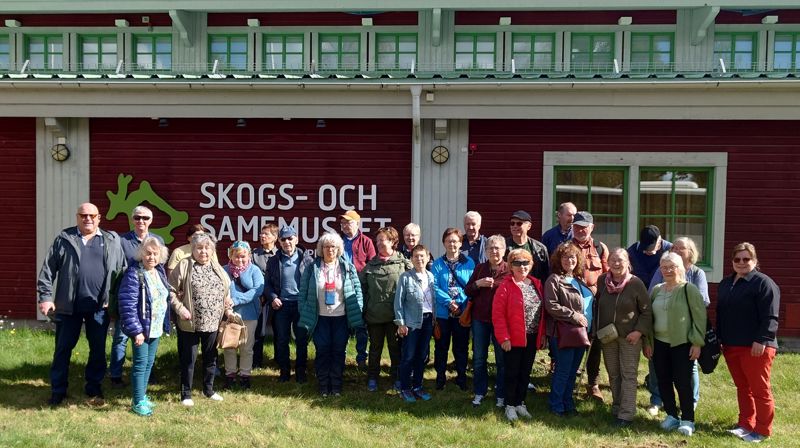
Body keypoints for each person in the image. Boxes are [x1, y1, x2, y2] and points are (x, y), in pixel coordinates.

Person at [37, 202, 126, 406]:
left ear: (99, 218)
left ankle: (93, 387)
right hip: (68, 307)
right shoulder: (65, 239)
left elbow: (122, 271)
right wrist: (46, 297)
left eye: (92, 215)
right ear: (77, 217)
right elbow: (48, 270)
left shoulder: (112, 240)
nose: (88, 219)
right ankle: (58, 390)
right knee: (63, 349)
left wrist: (118, 303)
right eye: (83, 215)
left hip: (99, 308)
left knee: (97, 350)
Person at [717, 242, 780, 443]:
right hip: (731, 345)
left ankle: (762, 430)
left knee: (760, 389)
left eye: (746, 259)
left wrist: (762, 339)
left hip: (756, 347)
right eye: (737, 259)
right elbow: (721, 313)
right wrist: (719, 338)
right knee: (743, 387)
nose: (742, 263)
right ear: (732, 261)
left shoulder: (764, 283)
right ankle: (745, 424)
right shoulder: (726, 283)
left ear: (754, 260)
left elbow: (771, 317)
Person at [169, 232, 232, 406]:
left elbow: (226, 288)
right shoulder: (184, 265)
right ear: (193, 249)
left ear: (212, 250)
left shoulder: (216, 266)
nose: (203, 252)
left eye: (207, 248)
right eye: (199, 248)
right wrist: (180, 309)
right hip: (190, 322)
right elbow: (171, 290)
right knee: (189, 359)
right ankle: (186, 394)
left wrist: (228, 300)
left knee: (211, 358)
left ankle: (208, 390)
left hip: (213, 322)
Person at [298, 232, 364, 397]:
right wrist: (304, 310)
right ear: (321, 249)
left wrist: (358, 309)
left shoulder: (347, 268)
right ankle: (322, 385)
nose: (330, 250)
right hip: (320, 318)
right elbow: (303, 293)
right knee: (322, 350)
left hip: (341, 318)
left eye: (333, 247)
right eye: (326, 247)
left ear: (338, 249)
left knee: (339, 351)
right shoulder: (312, 268)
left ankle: (336, 385)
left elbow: (357, 291)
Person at [648, 237, 709, 412]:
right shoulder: (660, 281)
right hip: (660, 339)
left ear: (690, 252)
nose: (676, 250)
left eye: (681, 248)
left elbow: (701, 306)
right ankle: (662, 405)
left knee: (686, 375)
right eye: (673, 247)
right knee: (661, 374)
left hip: (684, 336)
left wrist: (696, 340)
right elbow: (651, 296)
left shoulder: (695, 276)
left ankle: (689, 407)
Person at [594, 248, 652, 427]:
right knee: (613, 374)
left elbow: (647, 311)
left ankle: (626, 414)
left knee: (628, 374)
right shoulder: (602, 280)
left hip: (629, 337)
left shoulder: (636, 283)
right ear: (608, 262)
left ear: (628, 263)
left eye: (620, 260)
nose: (616, 264)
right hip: (607, 336)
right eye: (613, 260)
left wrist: (639, 332)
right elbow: (597, 305)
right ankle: (617, 407)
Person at [110, 206, 165, 389]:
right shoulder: (122, 240)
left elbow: (159, 269)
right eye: (137, 217)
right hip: (129, 292)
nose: (141, 221)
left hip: (149, 297)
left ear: (151, 220)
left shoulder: (158, 240)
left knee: (149, 336)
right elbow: (116, 265)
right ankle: (116, 375)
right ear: (132, 219)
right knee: (121, 336)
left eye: (145, 218)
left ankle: (145, 376)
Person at [117, 237, 170, 416]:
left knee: (149, 363)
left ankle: (143, 396)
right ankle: (137, 401)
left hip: (155, 327)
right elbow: (127, 304)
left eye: (155, 254)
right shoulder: (134, 273)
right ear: (141, 254)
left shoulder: (159, 272)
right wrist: (136, 330)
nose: (151, 257)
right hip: (141, 328)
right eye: (148, 253)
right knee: (140, 364)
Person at [493, 249, 546, 422]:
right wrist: (504, 338)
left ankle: (519, 403)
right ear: (510, 266)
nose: (521, 267)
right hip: (513, 338)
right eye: (517, 263)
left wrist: (542, 335)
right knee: (512, 372)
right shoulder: (505, 286)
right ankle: (509, 405)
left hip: (531, 336)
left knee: (525, 372)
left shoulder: (536, 284)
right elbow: (498, 315)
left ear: (531, 265)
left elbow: (543, 312)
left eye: (525, 263)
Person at [543, 242, 593, 417]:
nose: (569, 260)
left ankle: (568, 403)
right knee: (563, 370)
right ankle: (556, 405)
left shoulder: (579, 281)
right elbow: (551, 306)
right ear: (558, 260)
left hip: (581, 333)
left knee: (573, 371)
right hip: (562, 333)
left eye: (572, 257)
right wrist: (574, 316)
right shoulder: (554, 280)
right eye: (565, 257)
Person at [628, 224, 673, 416]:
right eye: (645, 247)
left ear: (661, 240)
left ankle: (669, 395)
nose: (648, 251)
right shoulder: (632, 251)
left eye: (651, 247)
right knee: (651, 350)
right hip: (639, 304)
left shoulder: (670, 251)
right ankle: (655, 392)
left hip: (663, 304)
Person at [360, 226, 412, 391]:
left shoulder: (403, 264)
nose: (379, 243)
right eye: (378, 241)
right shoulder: (370, 266)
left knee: (395, 349)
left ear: (392, 241)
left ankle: (396, 377)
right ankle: (372, 377)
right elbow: (361, 289)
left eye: (383, 240)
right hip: (374, 316)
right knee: (374, 349)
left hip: (395, 317)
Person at [464, 234, 509, 407]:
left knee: (501, 359)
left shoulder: (508, 270)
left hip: (500, 321)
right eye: (490, 248)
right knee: (479, 358)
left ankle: (501, 394)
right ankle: (479, 392)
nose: (494, 251)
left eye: (497, 248)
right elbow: (468, 290)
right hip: (480, 319)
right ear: (486, 250)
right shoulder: (480, 268)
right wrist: (478, 284)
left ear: (504, 250)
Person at [266, 225, 314, 382]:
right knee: (281, 340)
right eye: (283, 239)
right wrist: (273, 297)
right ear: (279, 241)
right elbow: (267, 284)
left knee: (301, 340)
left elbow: (313, 283)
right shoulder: (273, 261)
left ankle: (301, 372)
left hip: (301, 305)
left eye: (290, 238)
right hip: (282, 306)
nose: (287, 242)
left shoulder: (307, 260)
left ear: (297, 239)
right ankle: (284, 372)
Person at [570, 211, 609, 402]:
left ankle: (593, 384)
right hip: (573, 304)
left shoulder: (601, 249)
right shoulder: (566, 249)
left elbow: (609, 275)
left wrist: (598, 290)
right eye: (576, 226)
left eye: (584, 226)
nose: (580, 230)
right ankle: (569, 381)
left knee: (595, 344)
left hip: (595, 304)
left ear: (592, 228)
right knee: (573, 341)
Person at [431, 228, 475, 391]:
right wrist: (449, 302)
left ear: (460, 243)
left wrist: (459, 301)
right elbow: (433, 286)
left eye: (455, 241)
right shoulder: (437, 264)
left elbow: (471, 285)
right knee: (441, 346)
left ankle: (461, 377)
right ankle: (440, 377)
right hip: (443, 313)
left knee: (461, 346)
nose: (452, 244)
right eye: (449, 241)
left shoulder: (469, 263)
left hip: (462, 312)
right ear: (444, 243)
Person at [394, 244, 435, 403]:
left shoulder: (431, 277)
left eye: (422, 256)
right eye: (416, 256)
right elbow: (398, 302)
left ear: (427, 257)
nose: (419, 259)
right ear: (411, 259)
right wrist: (401, 323)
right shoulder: (405, 277)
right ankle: (405, 388)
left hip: (428, 321)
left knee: (422, 356)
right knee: (408, 356)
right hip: (411, 323)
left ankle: (417, 386)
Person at [222, 241, 265, 390]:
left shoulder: (255, 271)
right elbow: (220, 290)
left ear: (248, 256)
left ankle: (245, 375)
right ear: (231, 255)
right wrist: (227, 307)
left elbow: (256, 291)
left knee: (247, 347)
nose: (239, 259)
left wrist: (236, 300)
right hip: (230, 314)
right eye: (236, 256)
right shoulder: (224, 270)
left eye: (243, 256)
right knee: (230, 346)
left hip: (249, 314)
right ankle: (230, 375)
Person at [340, 210, 376, 369]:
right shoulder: (338, 241)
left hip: (360, 288)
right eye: (344, 223)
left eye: (349, 222)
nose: (346, 225)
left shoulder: (366, 242)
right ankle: (341, 356)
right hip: (340, 288)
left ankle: (361, 358)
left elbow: (372, 265)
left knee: (361, 326)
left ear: (357, 224)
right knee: (343, 325)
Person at [251, 223, 279, 369]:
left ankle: (279, 360)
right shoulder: (254, 255)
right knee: (259, 331)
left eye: (266, 234)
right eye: (261, 234)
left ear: (274, 237)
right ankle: (256, 362)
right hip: (261, 298)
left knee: (279, 329)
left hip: (277, 298)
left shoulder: (279, 255)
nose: (262, 236)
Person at [506, 210, 549, 283]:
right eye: (512, 223)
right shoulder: (503, 246)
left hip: (533, 288)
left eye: (519, 223)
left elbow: (545, 274)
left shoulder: (540, 248)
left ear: (529, 226)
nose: (515, 226)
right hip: (510, 288)